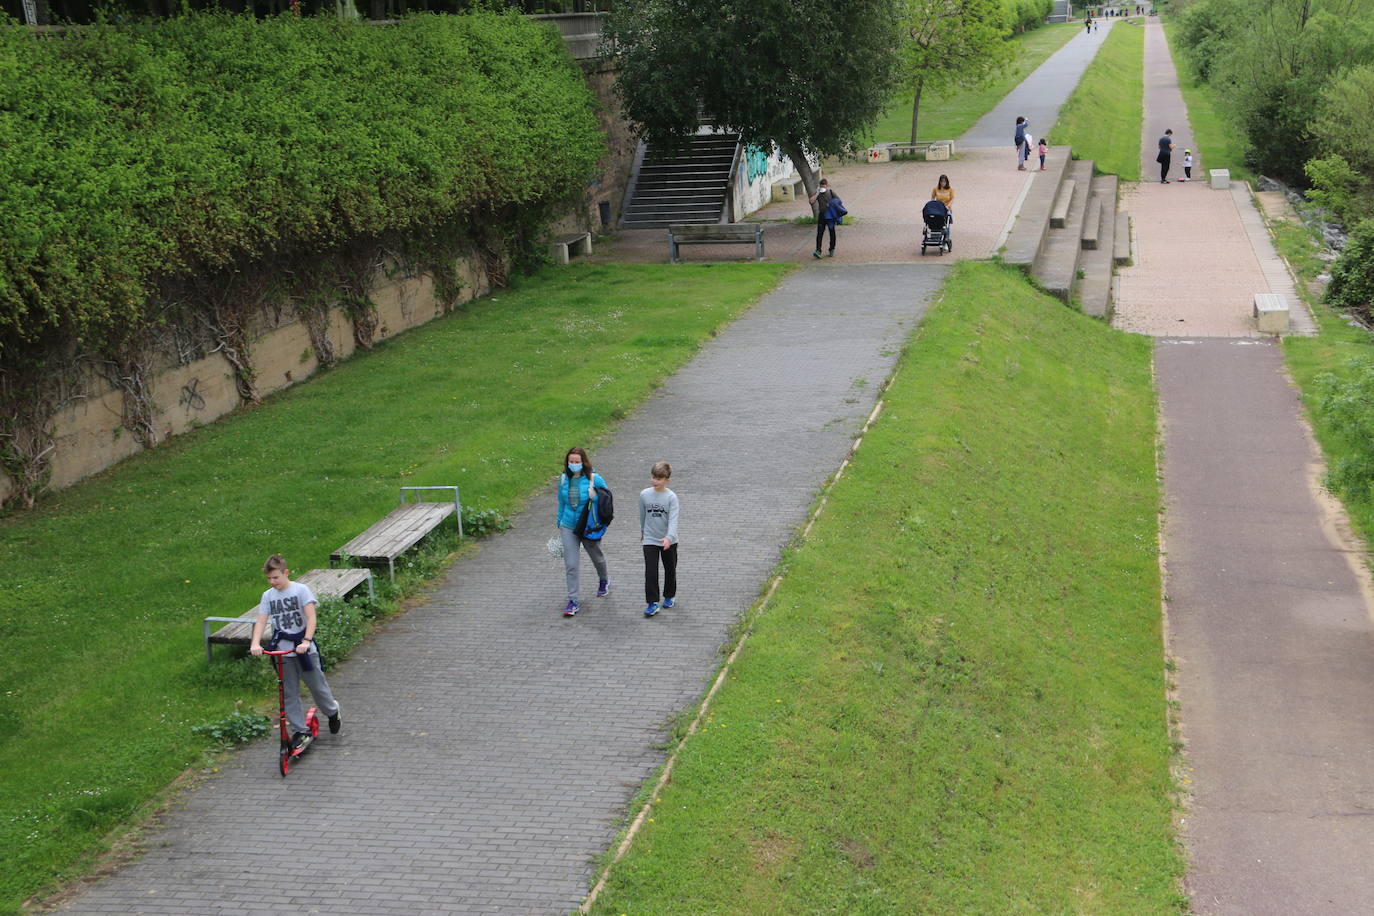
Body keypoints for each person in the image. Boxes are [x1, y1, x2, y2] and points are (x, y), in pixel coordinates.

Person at [250, 555, 342, 752]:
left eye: (275, 577)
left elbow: (311, 617)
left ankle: (332, 711)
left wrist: (306, 641)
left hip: (303, 648)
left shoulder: (301, 590)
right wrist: (255, 643)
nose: (272, 582)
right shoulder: (268, 596)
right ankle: (300, 731)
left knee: (317, 687)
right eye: (269, 579)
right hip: (283, 651)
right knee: (288, 692)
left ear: (286, 573)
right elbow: (261, 620)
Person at [556, 446, 610, 617]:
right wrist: (559, 521)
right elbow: (561, 502)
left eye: (577, 462)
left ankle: (604, 580)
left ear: (583, 462)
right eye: (571, 462)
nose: (574, 464)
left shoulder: (595, 478)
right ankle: (573, 600)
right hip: (568, 526)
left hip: (588, 526)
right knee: (571, 565)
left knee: (596, 557)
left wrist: (595, 498)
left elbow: (606, 500)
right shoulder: (564, 478)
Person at [639, 461, 679, 618]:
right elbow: (643, 515)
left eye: (659, 479)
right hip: (650, 538)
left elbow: (673, 520)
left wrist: (669, 538)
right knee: (650, 570)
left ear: (667, 480)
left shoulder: (671, 497)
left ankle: (669, 595)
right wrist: (643, 532)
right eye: (654, 477)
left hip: (669, 540)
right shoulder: (644, 495)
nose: (655, 481)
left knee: (670, 568)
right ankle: (652, 602)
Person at [808, 178, 843, 258]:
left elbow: (839, 201)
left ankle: (832, 249)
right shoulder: (818, 193)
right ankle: (818, 250)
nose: (823, 188)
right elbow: (811, 201)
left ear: (827, 186)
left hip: (830, 216)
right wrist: (817, 193)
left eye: (824, 186)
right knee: (819, 233)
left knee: (832, 232)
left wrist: (831, 204)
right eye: (821, 186)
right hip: (822, 215)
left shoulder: (831, 192)